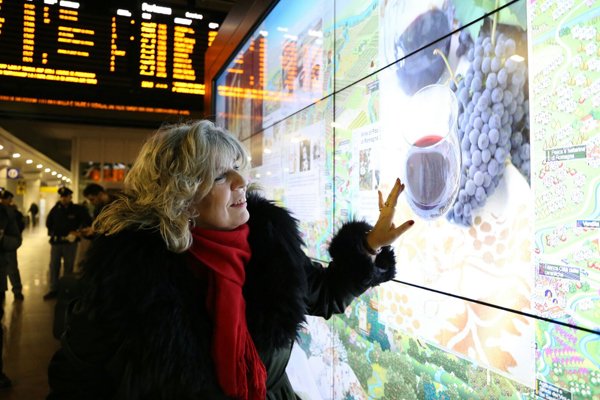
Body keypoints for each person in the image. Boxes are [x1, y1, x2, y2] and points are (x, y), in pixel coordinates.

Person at [47, 120, 415, 399]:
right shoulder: (126, 280)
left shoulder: (269, 246)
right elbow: (75, 381)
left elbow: (326, 293)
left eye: (238, 167)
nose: (241, 181)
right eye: (222, 174)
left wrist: (368, 246)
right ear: (179, 194)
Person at [44, 187, 92, 300]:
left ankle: (65, 290)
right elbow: (49, 224)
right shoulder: (55, 209)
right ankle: (54, 289)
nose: (64, 198)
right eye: (62, 196)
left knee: (68, 267)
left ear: (70, 197)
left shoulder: (77, 209)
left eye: (66, 196)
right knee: (54, 266)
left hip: (70, 243)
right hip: (57, 242)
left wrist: (79, 232)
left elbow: (87, 222)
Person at [0, 190, 25, 301]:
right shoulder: (11, 211)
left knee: (12, 269)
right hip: (7, 243)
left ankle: (17, 290)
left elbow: (19, 227)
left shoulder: (10, 212)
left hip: (8, 244)